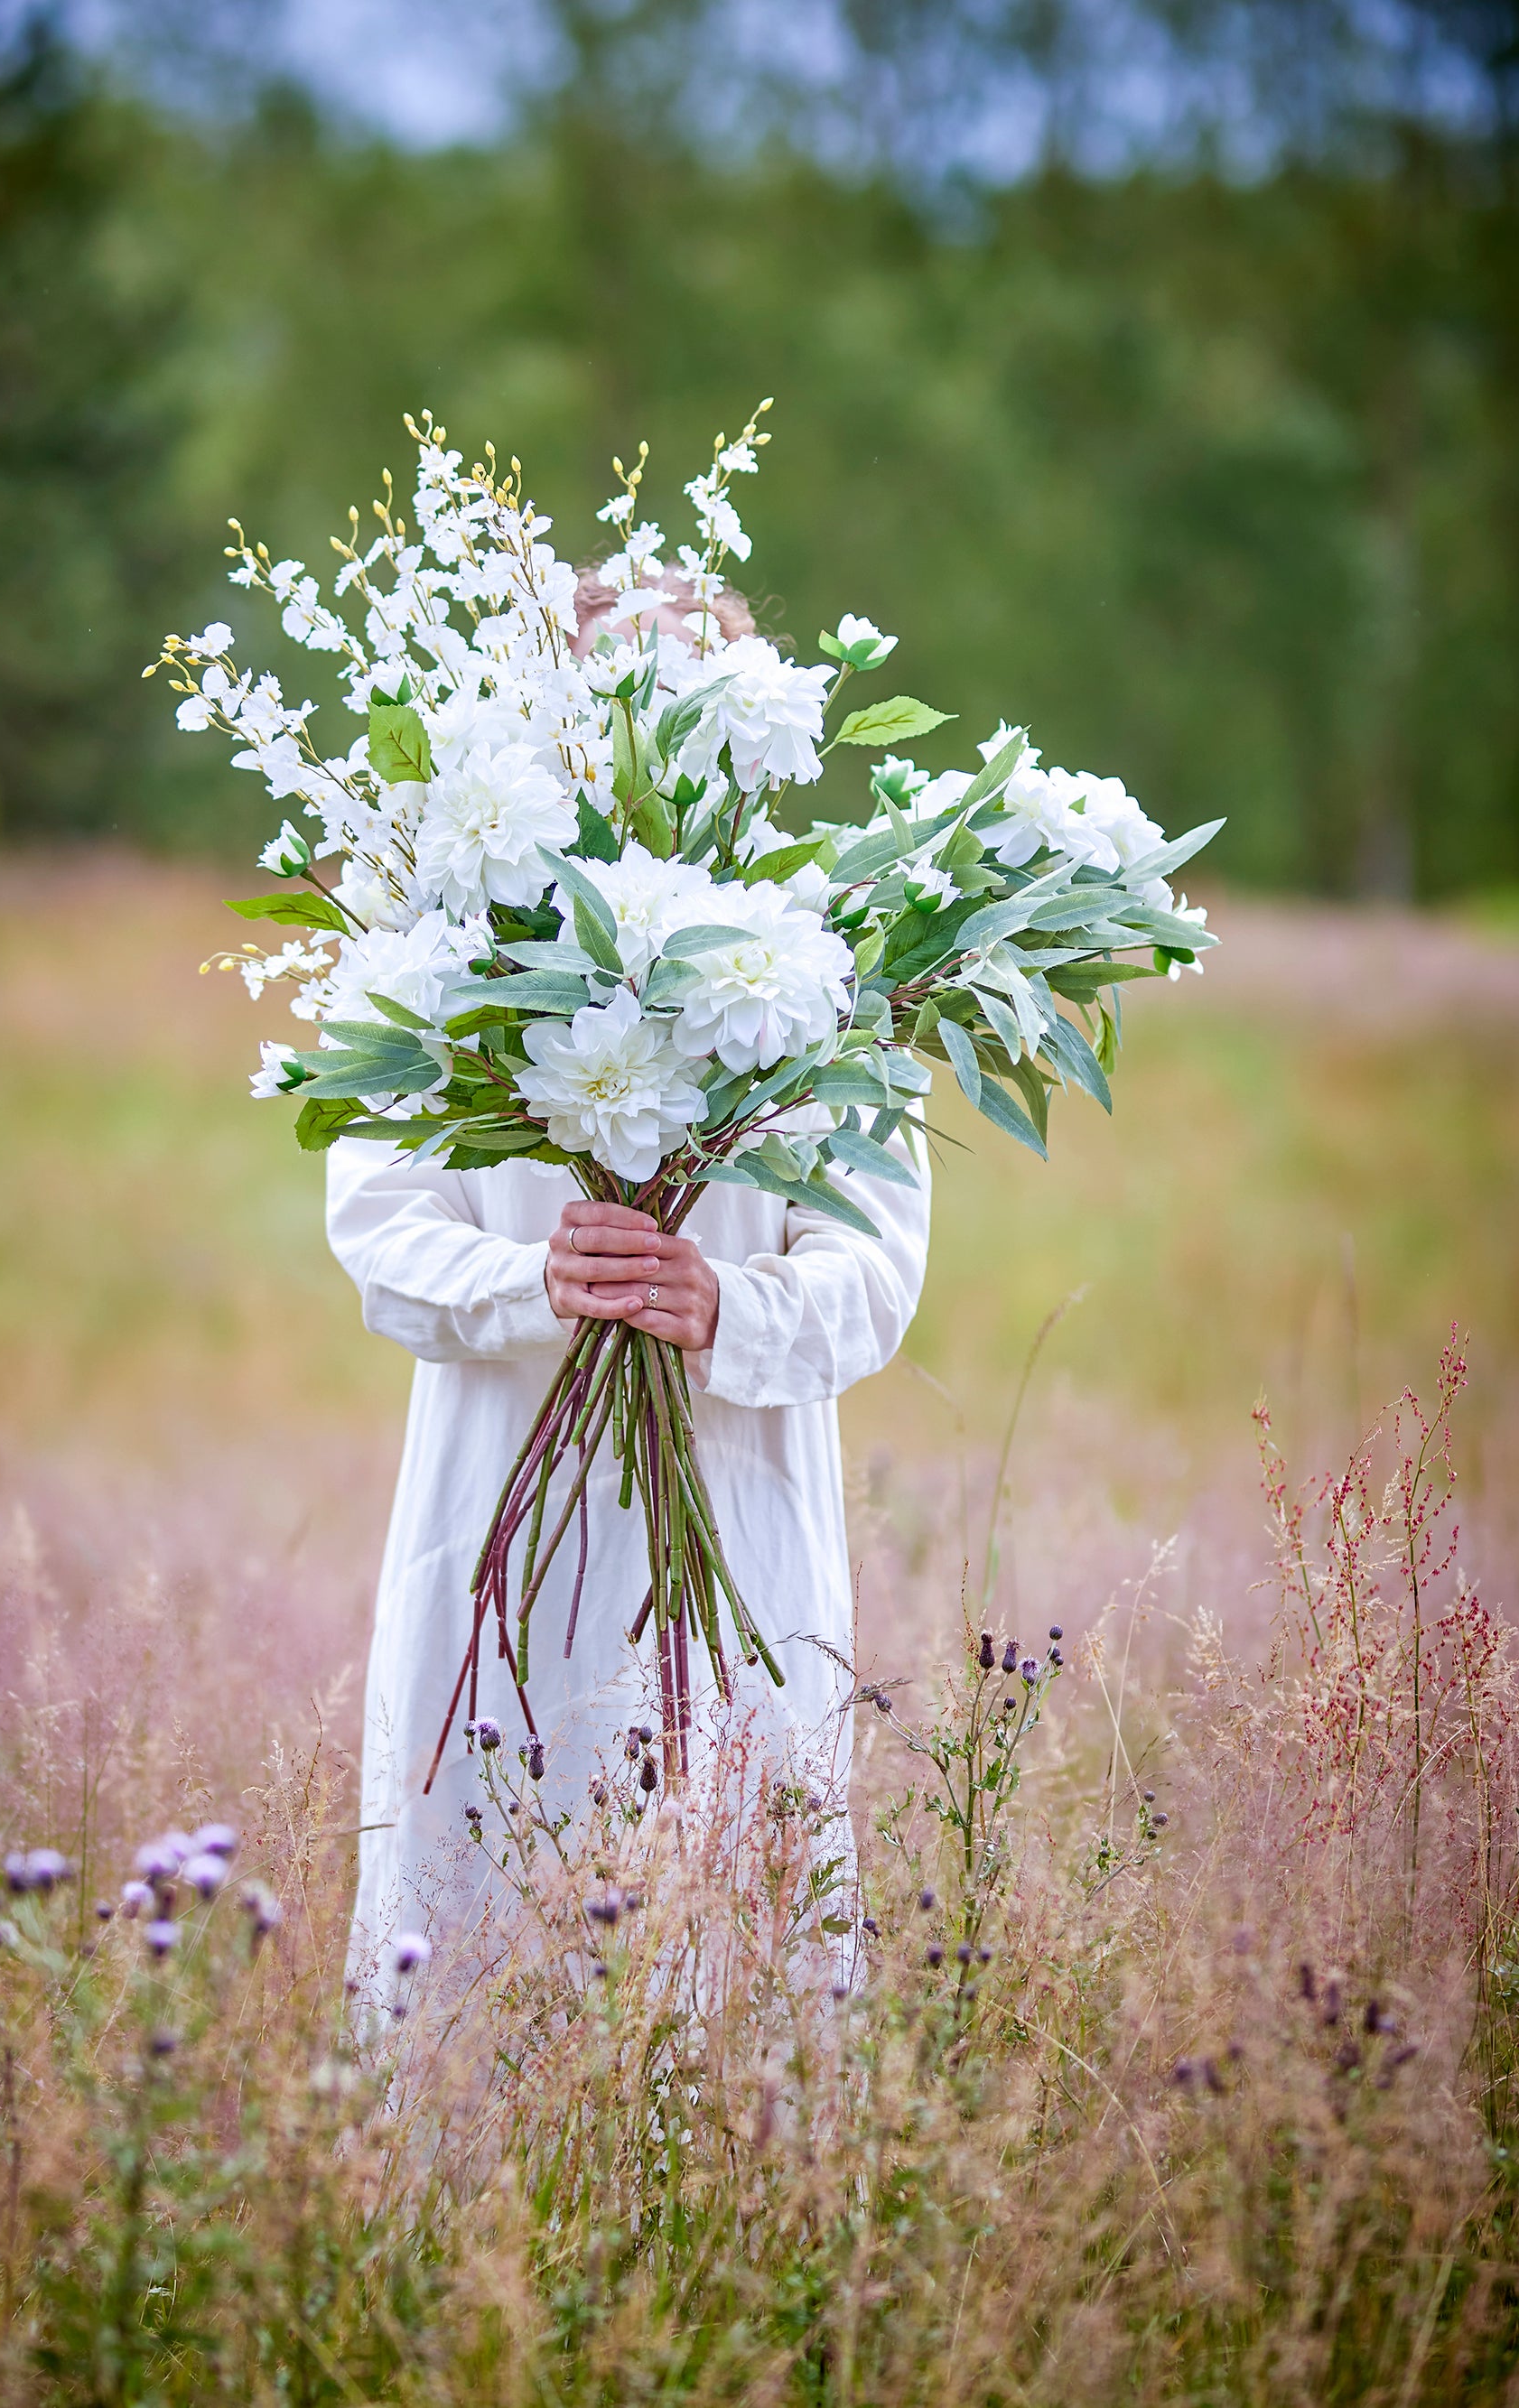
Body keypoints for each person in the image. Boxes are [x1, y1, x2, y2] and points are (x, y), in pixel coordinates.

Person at [325, 575, 933, 1994]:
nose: (642, 737)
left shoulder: (830, 962)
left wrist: (729, 1309)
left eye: (684, 702)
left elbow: (877, 1264)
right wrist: (532, 1281)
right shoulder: (445, 955)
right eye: (607, 702)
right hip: (501, 1511)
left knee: (738, 1907)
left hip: (736, 1517)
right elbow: (378, 1224)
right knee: (487, 1902)